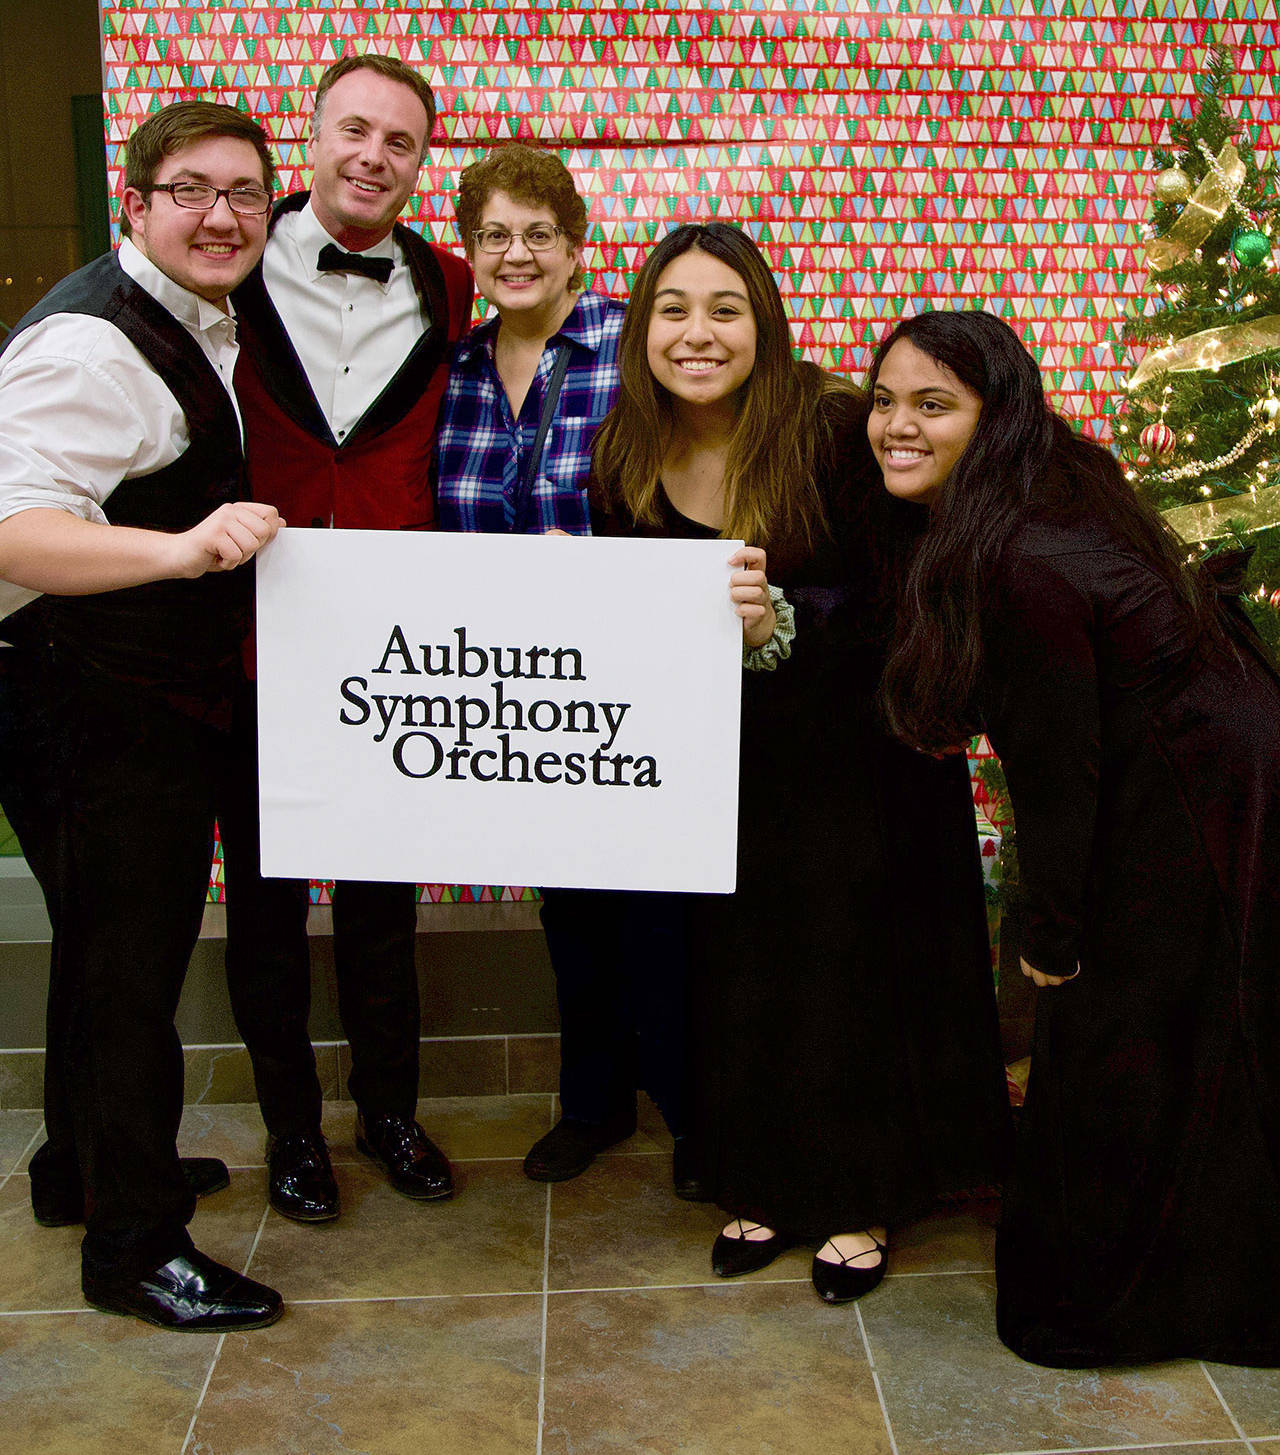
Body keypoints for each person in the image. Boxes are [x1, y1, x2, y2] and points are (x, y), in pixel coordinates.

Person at [590, 223, 1012, 1303]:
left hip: (858, 761)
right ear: (641, 329)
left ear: (762, 323)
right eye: (672, 310)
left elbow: (911, 592)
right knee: (739, 973)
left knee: (847, 975)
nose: (697, 333)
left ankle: (858, 1196)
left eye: (723, 308)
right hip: (718, 773)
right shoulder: (623, 452)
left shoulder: (833, 427)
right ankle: (763, 1179)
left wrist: (776, 622)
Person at [869, 307, 1280, 1366]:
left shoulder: (1021, 557)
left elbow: (1058, 772)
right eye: (883, 401)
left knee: (1127, 1022)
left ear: (991, 415)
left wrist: (1048, 935)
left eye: (930, 405)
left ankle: (1144, 1294)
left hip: (1197, 780)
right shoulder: (1023, 495)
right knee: (1160, 1021)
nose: (895, 426)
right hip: (1202, 749)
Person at [0, 102, 283, 1330]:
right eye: (191, 190)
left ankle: (82, 1168)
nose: (221, 214)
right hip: (84, 703)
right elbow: (8, 531)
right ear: (136, 202)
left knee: (98, 958)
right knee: (130, 978)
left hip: (111, 697)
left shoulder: (180, 315)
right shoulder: (90, 348)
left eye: (245, 194)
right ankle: (133, 1244)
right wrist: (183, 552)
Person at [219, 53, 474, 1225]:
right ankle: (289, 1131)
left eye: (402, 143)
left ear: (423, 163)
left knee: (381, 904)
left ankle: (388, 1112)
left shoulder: (456, 282)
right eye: (353, 132)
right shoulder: (219, 263)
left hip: (392, 645)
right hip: (243, 633)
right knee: (267, 905)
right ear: (308, 139)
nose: (374, 157)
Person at [434, 145, 697, 1190]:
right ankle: (592, 1103)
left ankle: (689, 1109)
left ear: (577, 247)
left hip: (630, 681)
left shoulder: (631, 358)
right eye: (494, 234)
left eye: (539, 233)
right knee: (571, 912)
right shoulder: (447, 372)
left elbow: (688, 498)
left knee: (660, 912)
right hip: (516, 695)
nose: (516, 253)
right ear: (470, 250)